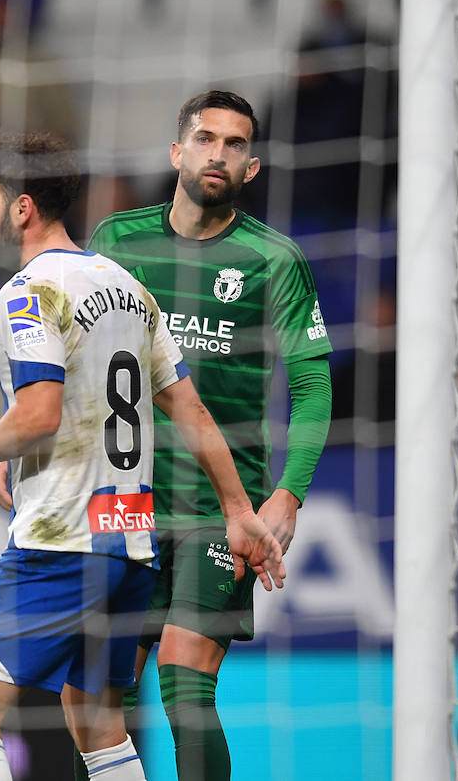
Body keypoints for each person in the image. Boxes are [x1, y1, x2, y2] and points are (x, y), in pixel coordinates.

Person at [0, 129, 286, 781]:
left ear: (22, 207)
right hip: (129, 542)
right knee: (96, 723)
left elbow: (41, 415)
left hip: (60, 539)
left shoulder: (27, 292)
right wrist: (238, 510)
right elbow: (187, 408)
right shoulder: (128, 289)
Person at [80, 90, 334, 778]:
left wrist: (288, 495)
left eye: (234, 143)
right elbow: (75, 363)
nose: (218, 152)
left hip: (222, 507)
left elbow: (312, 387)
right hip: (122, 498)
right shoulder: (115, 243)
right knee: (95, 698)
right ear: (177, 152)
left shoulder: (271, 259)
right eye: (205, 137)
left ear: (251, 167)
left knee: (183, 676)